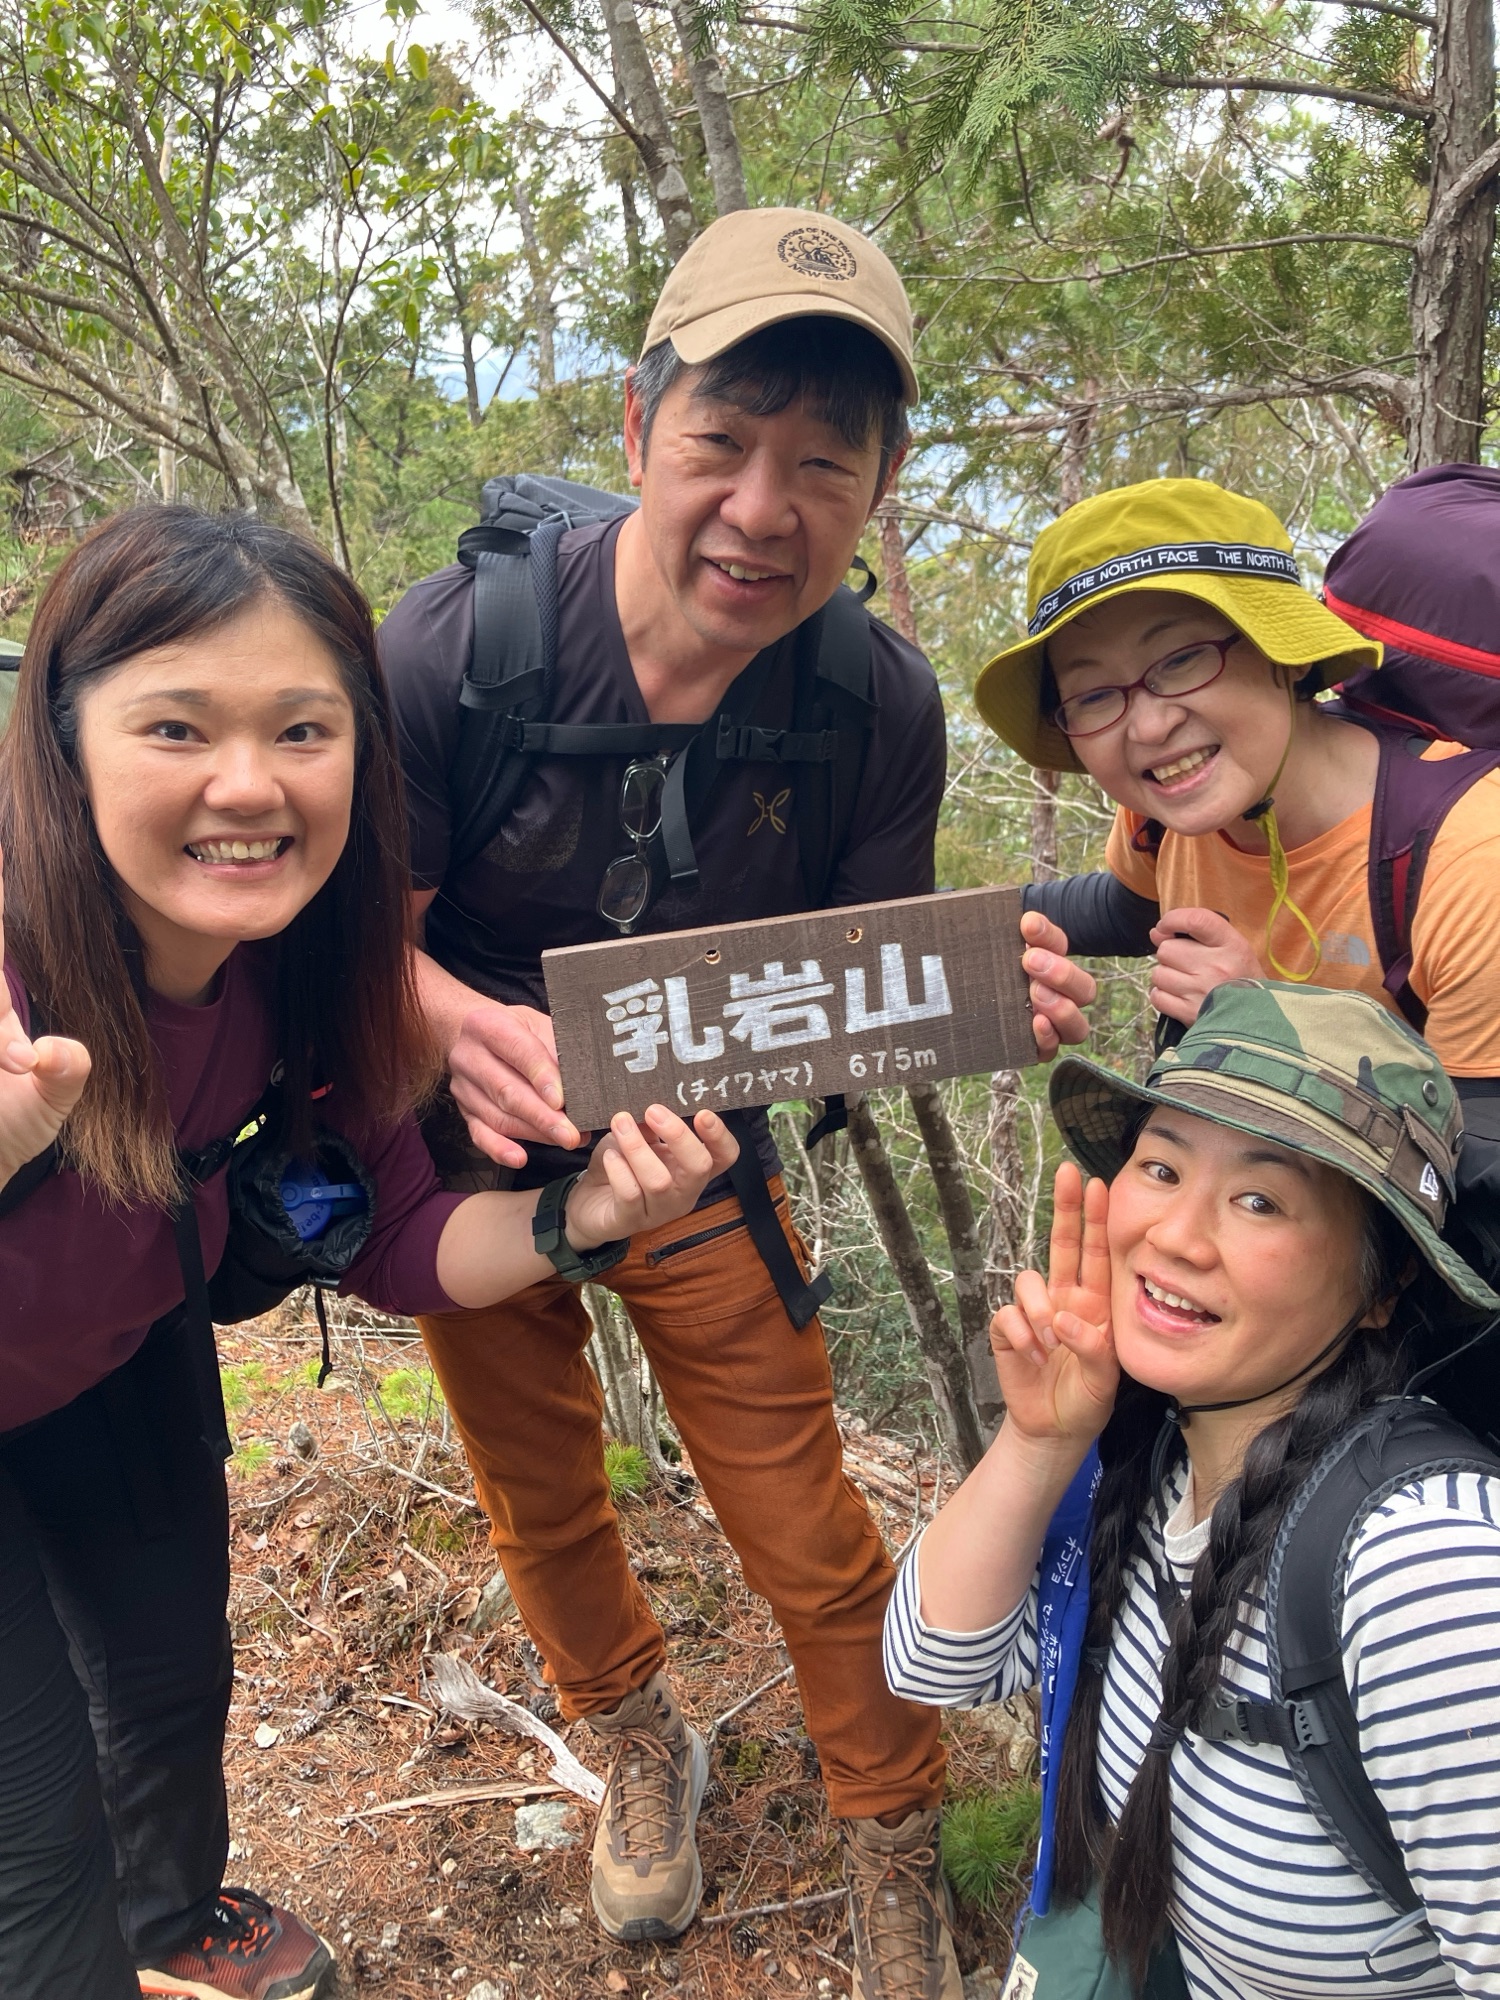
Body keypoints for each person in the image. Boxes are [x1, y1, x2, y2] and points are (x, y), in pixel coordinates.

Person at [379, 204, 1090, 1995]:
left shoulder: (871, 705)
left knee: (802, 1520)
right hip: (470, 1165)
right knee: (540, 1490)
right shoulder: (463, 651)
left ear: (879, 489)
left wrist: (967, 991)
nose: (764, 509)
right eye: (722, 442)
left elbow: (841, 996)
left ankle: (891, 1826)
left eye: (825, 464)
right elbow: (346, 942)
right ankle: (635, 1740)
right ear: (639, 430)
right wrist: (452, 1017)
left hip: (698, 1155)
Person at [0, 505, 734, 2000]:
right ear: (65, 746)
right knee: (30, 1837)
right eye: (176, 727)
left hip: (118, 1358)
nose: (248, 783)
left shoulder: (307, 968)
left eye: (302, 730)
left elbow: (396, 1236)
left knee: (167, 1677)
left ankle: (168, 1925)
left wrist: (585, 1220)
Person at [885, 980, 1500, 1996]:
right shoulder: (1152, 1453)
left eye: (1260, 1199)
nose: (1174, 1234)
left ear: (1385, 1284)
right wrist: (1039, 1441)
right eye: (1162, 1167)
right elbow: (930, 1664)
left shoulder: (1424, 1569)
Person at [975, 476, 1500, 1271]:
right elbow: (1128, 906)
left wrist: (1269, 1028)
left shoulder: (1467, 856)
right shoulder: (1169, 811)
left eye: (1182, 659)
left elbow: (1475, 1199)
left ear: (1282, 651)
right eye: (1094, 695)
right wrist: (977, 930)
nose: (1149, 726)